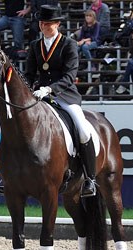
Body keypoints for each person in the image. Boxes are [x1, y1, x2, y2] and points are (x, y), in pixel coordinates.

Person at [25, 5, 97, 197]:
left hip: (64, 95)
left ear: (57, 24)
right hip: (40, 96)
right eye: (41, 23)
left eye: (47, 24)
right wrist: (27, 90)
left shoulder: (69, 44)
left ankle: (90, 179)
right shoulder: (34, 46)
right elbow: (29, 74)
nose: (43, 27)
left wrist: (49, 89)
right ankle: (9, 176)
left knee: (82, 129)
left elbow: (69, 75)